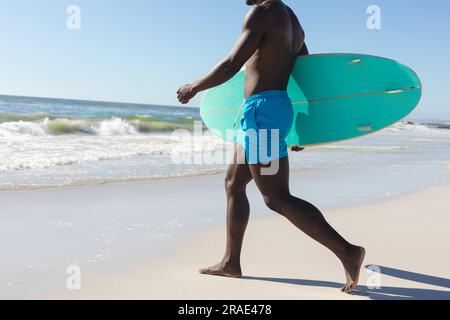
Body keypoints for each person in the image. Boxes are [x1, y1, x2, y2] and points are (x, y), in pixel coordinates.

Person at [177, 0, 365, 294]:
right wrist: (302, 127)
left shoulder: (263, 13)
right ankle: (231, 262)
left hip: (261, 114)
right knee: (233, 183)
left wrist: (194, 87)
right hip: (267, 110)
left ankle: (347, 251)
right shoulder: (292, 19)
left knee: (276, 197)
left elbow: (231, 64)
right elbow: (304, 70)